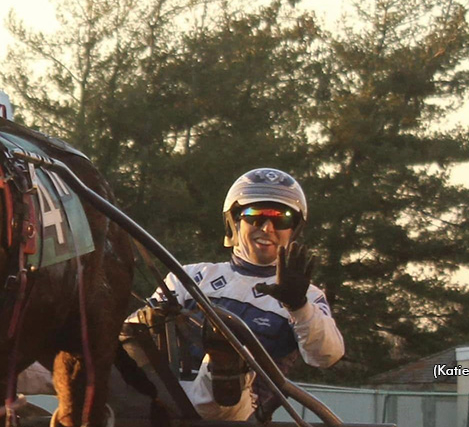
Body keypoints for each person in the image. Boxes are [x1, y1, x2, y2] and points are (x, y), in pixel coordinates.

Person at [142, 168, 344, 422]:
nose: (267, 228)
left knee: (223, 372)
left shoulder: (307, 296)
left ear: (294, 229)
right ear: (234, 222)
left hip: (241, 415)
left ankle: (226, 362)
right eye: (255, 216)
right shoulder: (189, 277)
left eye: (281, 219)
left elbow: (326, 356)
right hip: (163, 401)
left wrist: (298, 306)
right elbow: (130, 337)